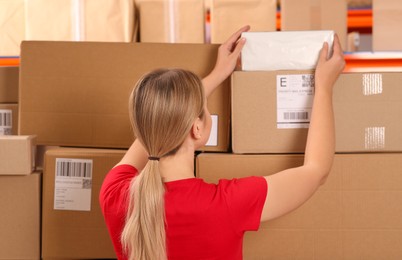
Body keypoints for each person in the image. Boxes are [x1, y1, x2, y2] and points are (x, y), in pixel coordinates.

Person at [99, 26, 345, 260]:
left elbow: (153, 127)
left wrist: (217, 74)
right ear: (196, 128)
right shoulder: (226, 204)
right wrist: (323, 86)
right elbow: (317, 171)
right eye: (205, 109)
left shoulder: (114, 194)